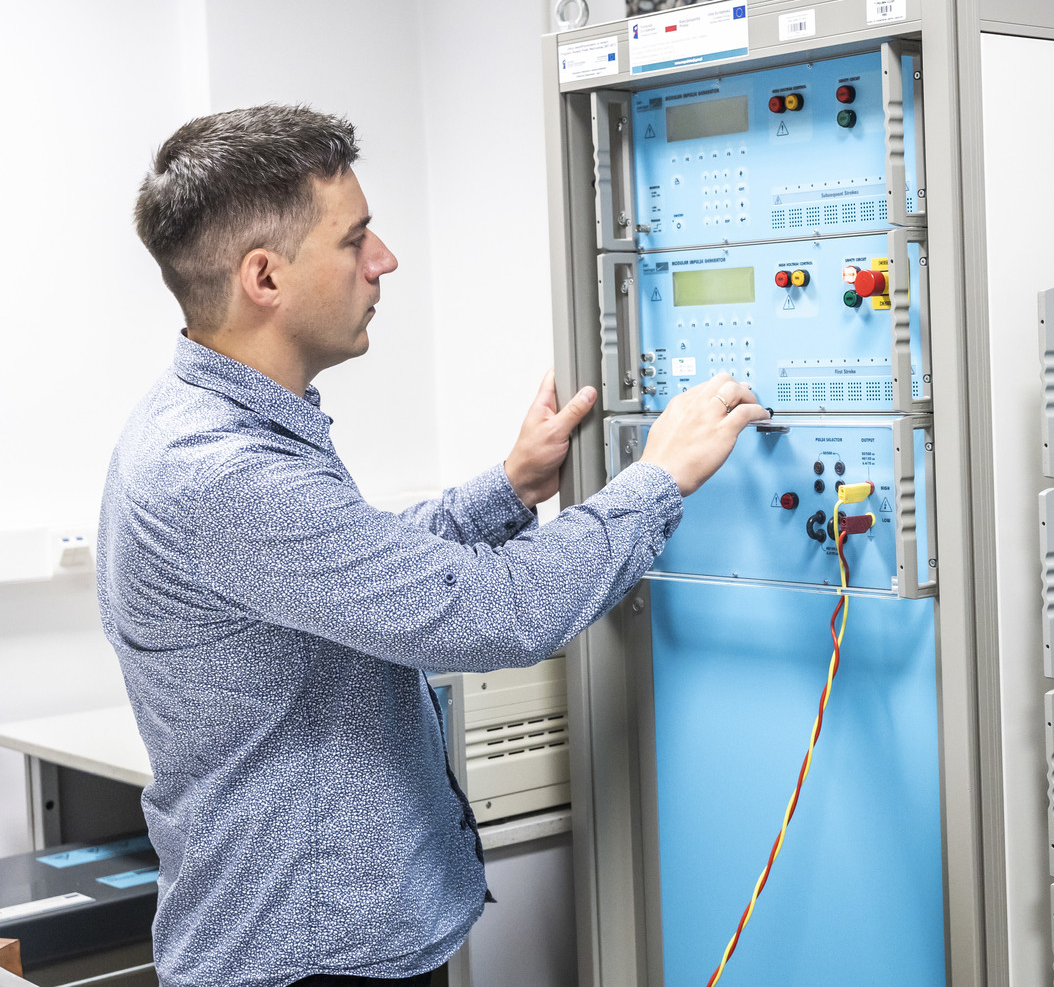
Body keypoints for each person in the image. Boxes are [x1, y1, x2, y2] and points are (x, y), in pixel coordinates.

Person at [97, 104, 767, 987]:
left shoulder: (210, 422)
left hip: (333, 939)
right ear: (264, 276)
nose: (384, 260)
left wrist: (510, 488)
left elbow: (356, 572)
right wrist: (658, 478)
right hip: (310, 961)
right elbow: (492, 614)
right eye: (355, 239)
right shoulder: (219, 470)